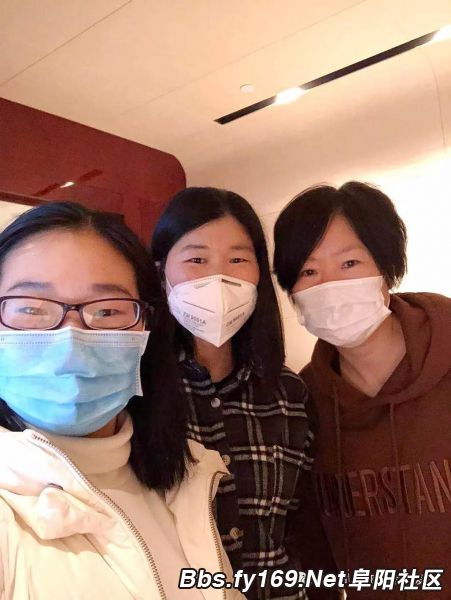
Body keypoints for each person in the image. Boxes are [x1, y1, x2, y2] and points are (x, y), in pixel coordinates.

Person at [0, 201, 243, 600]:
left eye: (108, 310)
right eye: (31, 308)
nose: (70, 337)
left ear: (147, 327)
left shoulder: (186, 476)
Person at [151, 186, 331, 600]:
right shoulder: (135, 392)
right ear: (161, 272)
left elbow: (303, 528)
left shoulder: (289, 393)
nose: (219, 277)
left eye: (238, 259)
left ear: (259, 275)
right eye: (197, 260)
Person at [273, 182, 451, 599]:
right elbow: (312, 546)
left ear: (386, 269)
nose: (329, 285)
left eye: (349, 263)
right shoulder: (302, 402)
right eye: (309, 272)